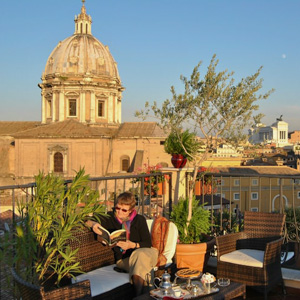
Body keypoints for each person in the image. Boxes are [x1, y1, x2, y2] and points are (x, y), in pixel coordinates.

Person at [86, 191, 158, 296]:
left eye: (124, 210)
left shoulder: (139, 220)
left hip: (146, 253)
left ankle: (138, 296)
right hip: (125, 260)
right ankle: (145, 295)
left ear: (131, 211)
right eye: (117, 208)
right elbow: (86, 220)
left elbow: (147, 243)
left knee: (140, 255)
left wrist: (132, 245)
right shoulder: (110, 218)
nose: (119, 212)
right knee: (142, 265)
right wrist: (94, 224)